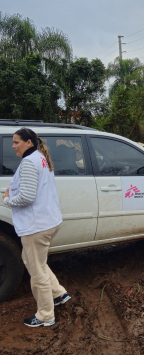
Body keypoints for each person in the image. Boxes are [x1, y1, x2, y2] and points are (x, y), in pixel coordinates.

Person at [2, 128, 70, 327]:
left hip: (36, 226)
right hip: (48, 221)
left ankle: (45, 315)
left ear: (29, 142)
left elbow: (27, 197)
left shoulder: (29, 163)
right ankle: (59, 293)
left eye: (16, 142)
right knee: (34, 261)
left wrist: (7, 200)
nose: (13, 146)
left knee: (36, 270)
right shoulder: (40, 158)